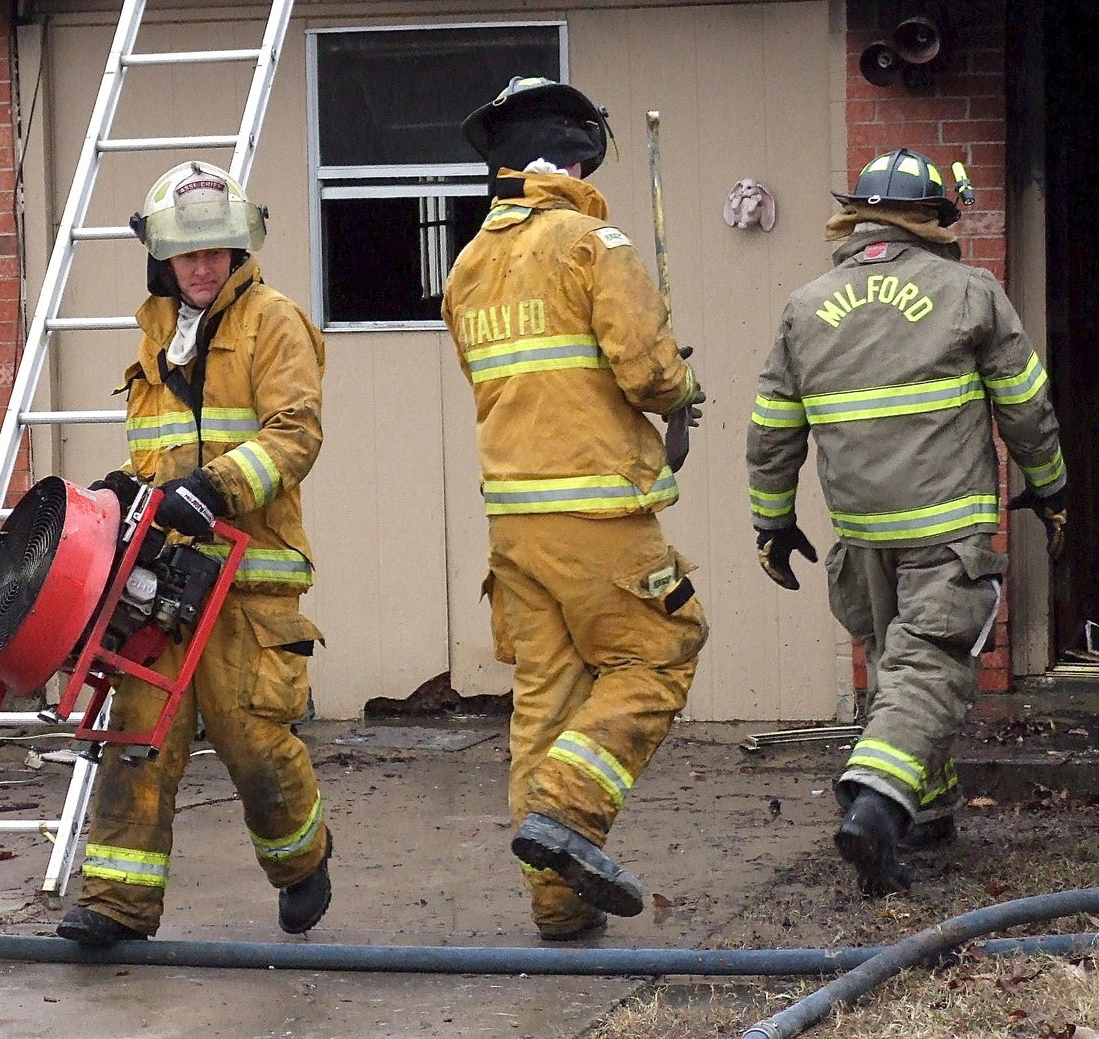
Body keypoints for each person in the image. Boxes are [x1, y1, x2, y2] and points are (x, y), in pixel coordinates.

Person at [746, 148, 1067, 896]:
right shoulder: (969, 292)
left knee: (893, 666)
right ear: (933, 219)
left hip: (860, 535)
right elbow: (1028, 407)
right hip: (945, 531)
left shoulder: (806, 305)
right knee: (929, 668)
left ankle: (929, 811)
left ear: (856, 216)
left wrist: (772, 522)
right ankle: (878, 805)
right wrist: (1050, 490)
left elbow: (771, 429)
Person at [442, 77, 710, 940]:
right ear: (576, 157)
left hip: (514, 528)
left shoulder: (468, 267)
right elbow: (647, 373)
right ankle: (570, 811)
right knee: (662, 650)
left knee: (547, 702)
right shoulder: (596, 243)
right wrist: (681, 388)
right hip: (599, 518)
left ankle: (556, 904)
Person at [56, 160, 332, 946]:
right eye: (188, 254)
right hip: (163, 583)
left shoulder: (275, 323)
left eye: (217, 252)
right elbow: (158, 455)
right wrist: (129, 492)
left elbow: (295, 435)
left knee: (252, 745)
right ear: (163, 258)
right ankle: (117, 903)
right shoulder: (156, 336)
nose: (203, 267)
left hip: (250, 580)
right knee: (137, 734)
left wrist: (212, 491)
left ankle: (302, 859)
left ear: (240, 250)